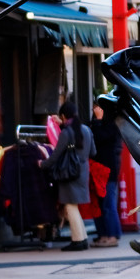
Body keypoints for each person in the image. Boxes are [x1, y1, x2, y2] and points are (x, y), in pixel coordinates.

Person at [40, 100, 96, 251]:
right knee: (74, 207)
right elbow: (93, 152)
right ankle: (82, 238)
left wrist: (42, 164)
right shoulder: (86, 130)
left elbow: (56, 155)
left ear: (63, 116)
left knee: (70, 207)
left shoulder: (66, 132)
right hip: (83, 171)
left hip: (68, 172)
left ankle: (78, 241)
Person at [89, 101, 122, 247]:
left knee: (108, 203)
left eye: (98, 108)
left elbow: (101, 137)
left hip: (108, 170)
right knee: (99, 204)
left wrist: (98, 120)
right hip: (97, 168)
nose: (95, 110)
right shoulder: (97, 123)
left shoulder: (112, 125)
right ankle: (102, 234)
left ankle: (112, 235)